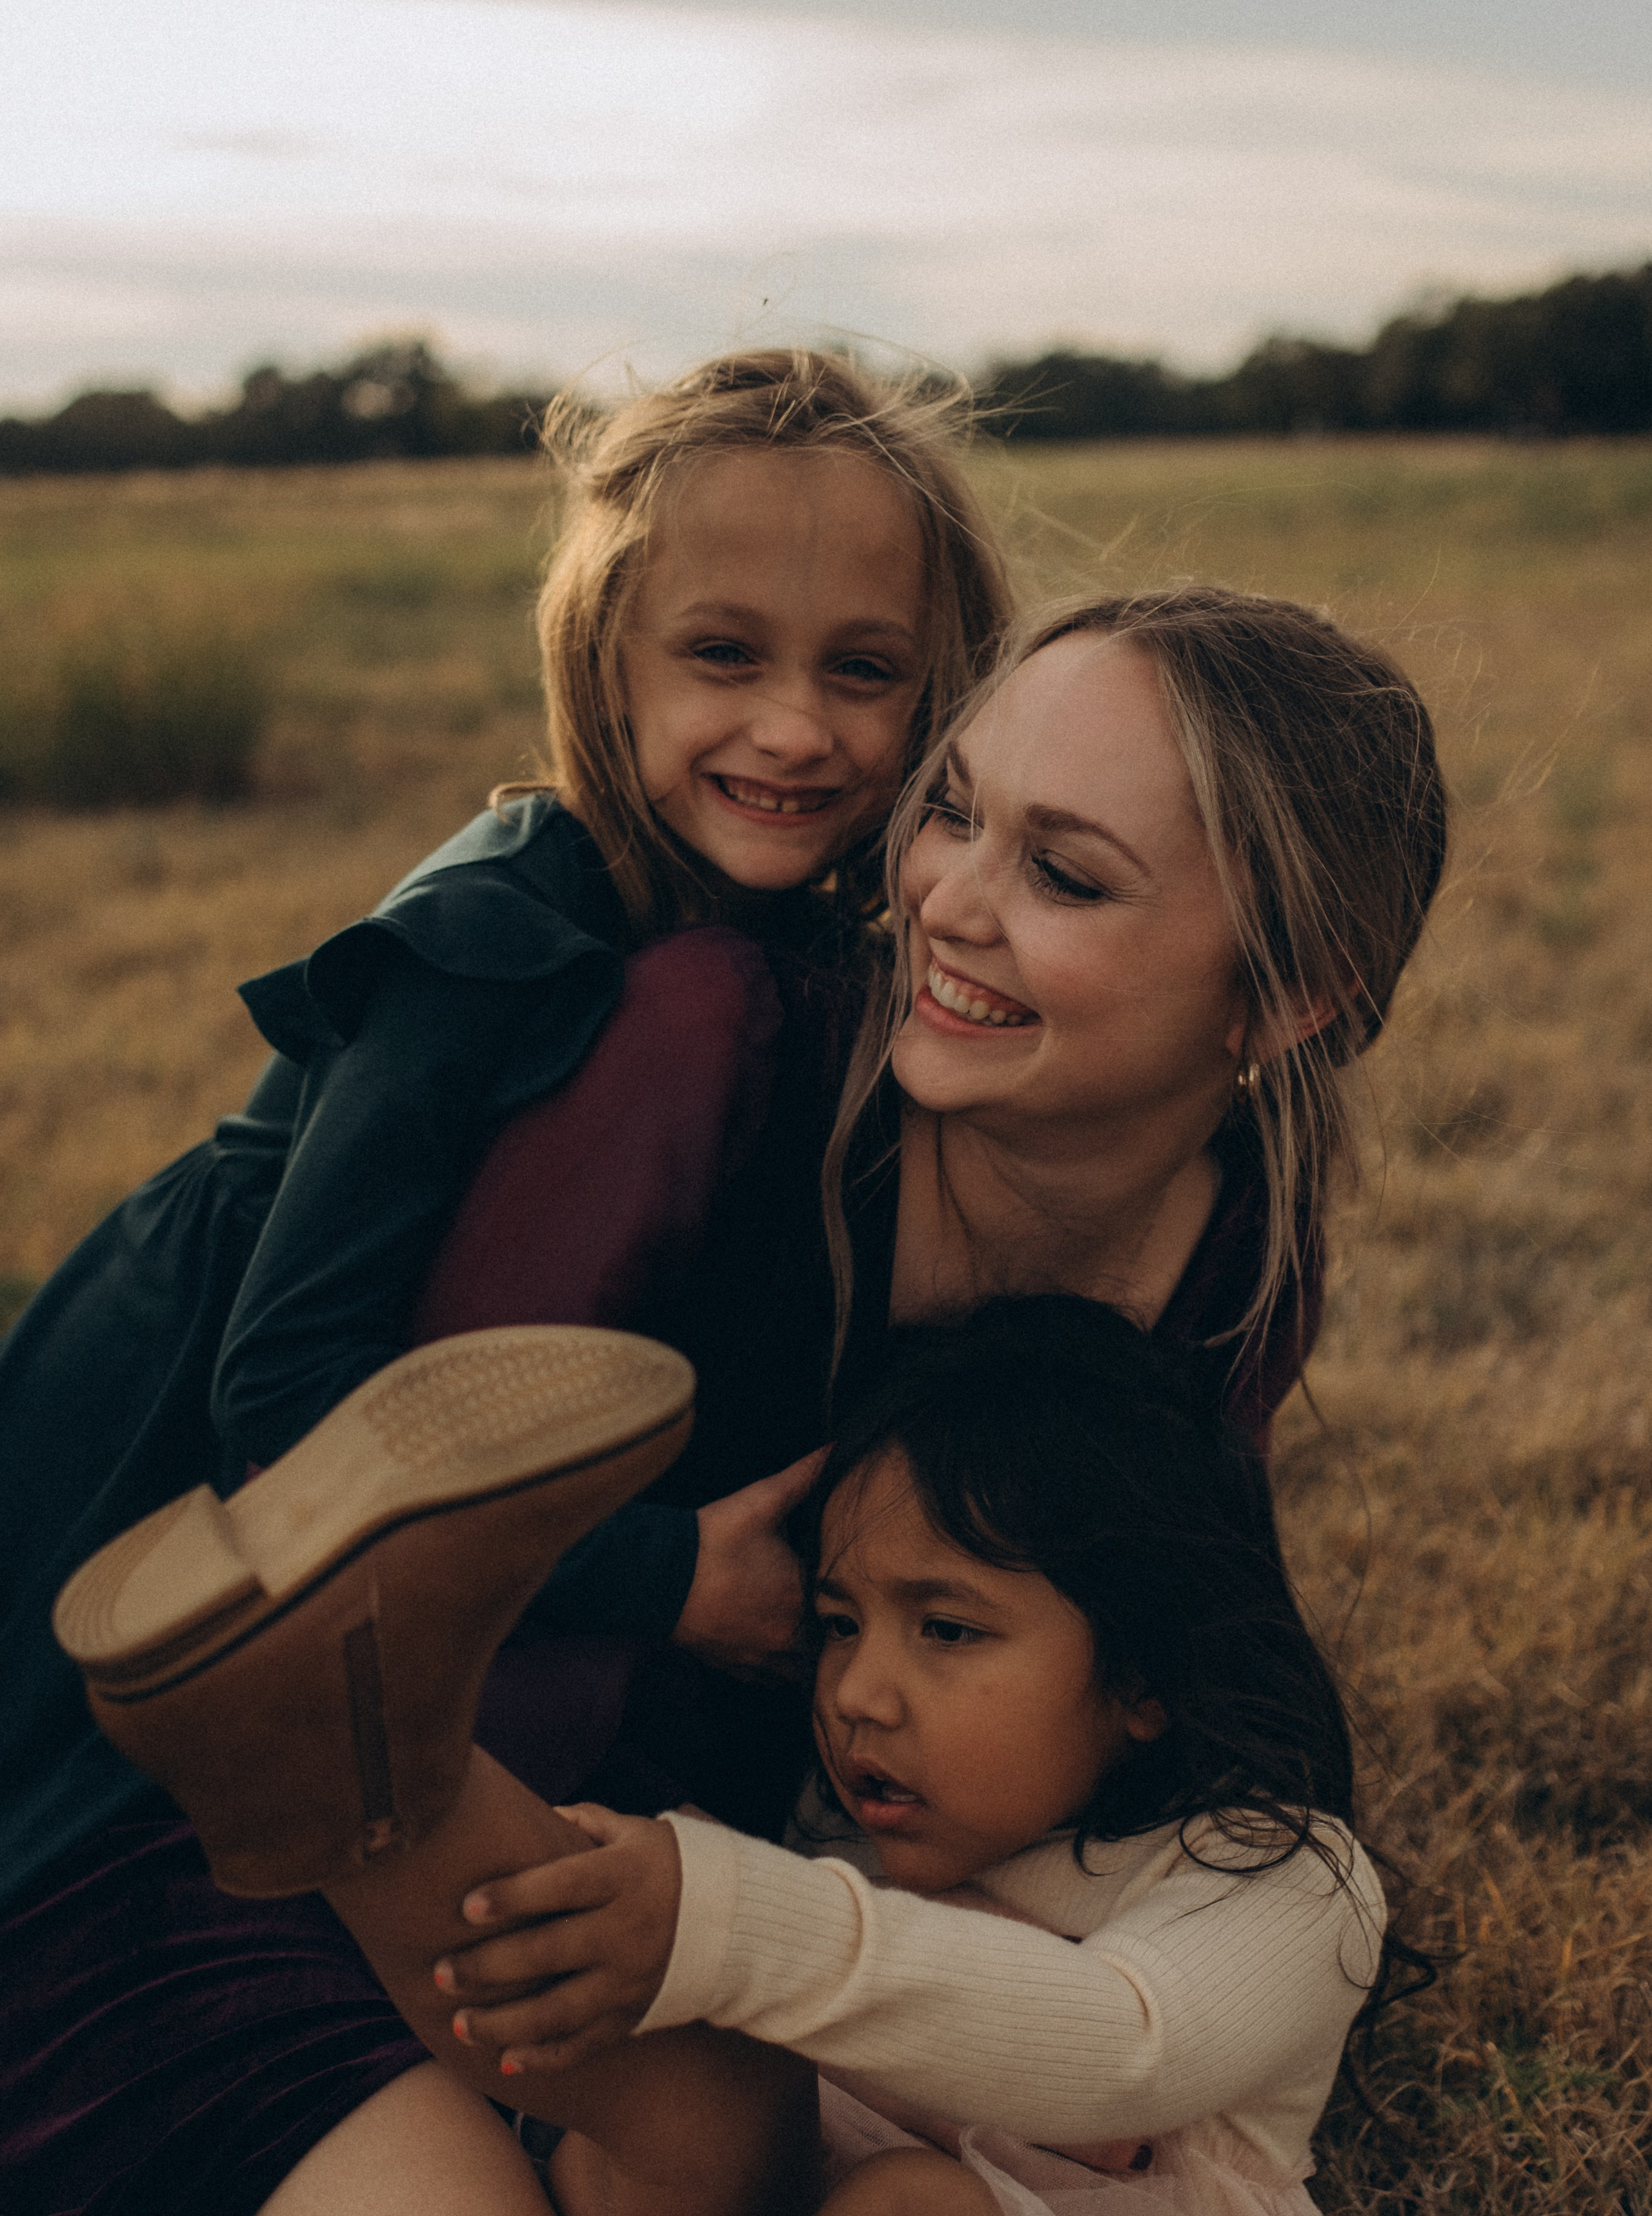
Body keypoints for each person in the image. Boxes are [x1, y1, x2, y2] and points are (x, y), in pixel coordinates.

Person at [6, 583, 1447, 2213]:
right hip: (260, 1834)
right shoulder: (709, 1057)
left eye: (1058, 871)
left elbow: (1124, 1695)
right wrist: (671, 1598)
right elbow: (370, 1502)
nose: (941, 903)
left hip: (666, 1921)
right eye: (950, 812)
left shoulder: (1230, 1264)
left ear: (1285, 992)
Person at [0, 349, 1009, 2212]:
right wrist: (666, 1575)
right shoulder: (492, 937)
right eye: (725, 656)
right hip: (141, 1657)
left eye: (862, 671)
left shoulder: (773, 942)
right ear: (605, 653)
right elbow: (284, 1411)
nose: (795, 727)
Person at [57, 1300, 1420, 2216]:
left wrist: (720, 1920)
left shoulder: (1279, 1880)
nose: (857, 1692)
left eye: (945, 1628)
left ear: (1143, 1676)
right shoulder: (844, 1854)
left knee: (907, 2200)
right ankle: (361, 1770)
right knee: (685, 2066)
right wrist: (665, 1933)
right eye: (836, 1624)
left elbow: (1131, 2047)